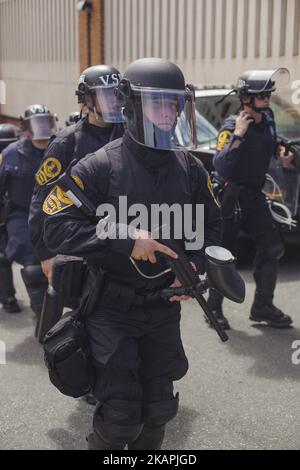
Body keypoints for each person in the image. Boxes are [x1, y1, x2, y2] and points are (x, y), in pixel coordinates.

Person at [42, 57, 221, 450]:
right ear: (132, 105)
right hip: (111, 307)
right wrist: (125, 237)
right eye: (158, 102)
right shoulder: (97, 166)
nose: (168, 112)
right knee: (121, 415)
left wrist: (192, 263)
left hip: (163, 308)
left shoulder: (190, 167)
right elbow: (55, 226)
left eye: (174, 103)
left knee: (158, 409)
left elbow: (213, 227)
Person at [207, 69, 293, 330]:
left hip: (254, 197)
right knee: (224, 256)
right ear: (246, 98)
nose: (267, 99)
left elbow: (269, 141)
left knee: (272, 248)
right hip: (231, 197)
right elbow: (220, 164)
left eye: (268, 94)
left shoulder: (267, 119)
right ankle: (213, 309)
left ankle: (262, 307)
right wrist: (238, 135)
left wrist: (281, 152)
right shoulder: (232, 125)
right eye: (262, 95)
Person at [29, 65, 125, 286]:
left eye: (116, 94)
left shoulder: (131, 134)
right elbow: (40, 201)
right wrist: (45, 254)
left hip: (122, 238)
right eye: (105, 94)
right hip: (81, 238)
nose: (113, 100)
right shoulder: (65, 143)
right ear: (87, 99)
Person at [0, 105, 57, 320]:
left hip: (57, 215)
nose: (41, 128)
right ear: (26, 127)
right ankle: (43, 315)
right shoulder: (11, 154)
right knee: (34, 267)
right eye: (36, 123)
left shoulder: (60, 147)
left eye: (45, 122)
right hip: (22, 216)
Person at [0, 123, 21, 312]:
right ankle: (7, 298)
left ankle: (8, 298)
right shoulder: (10, 156)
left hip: (12, 214)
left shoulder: (12, 157)